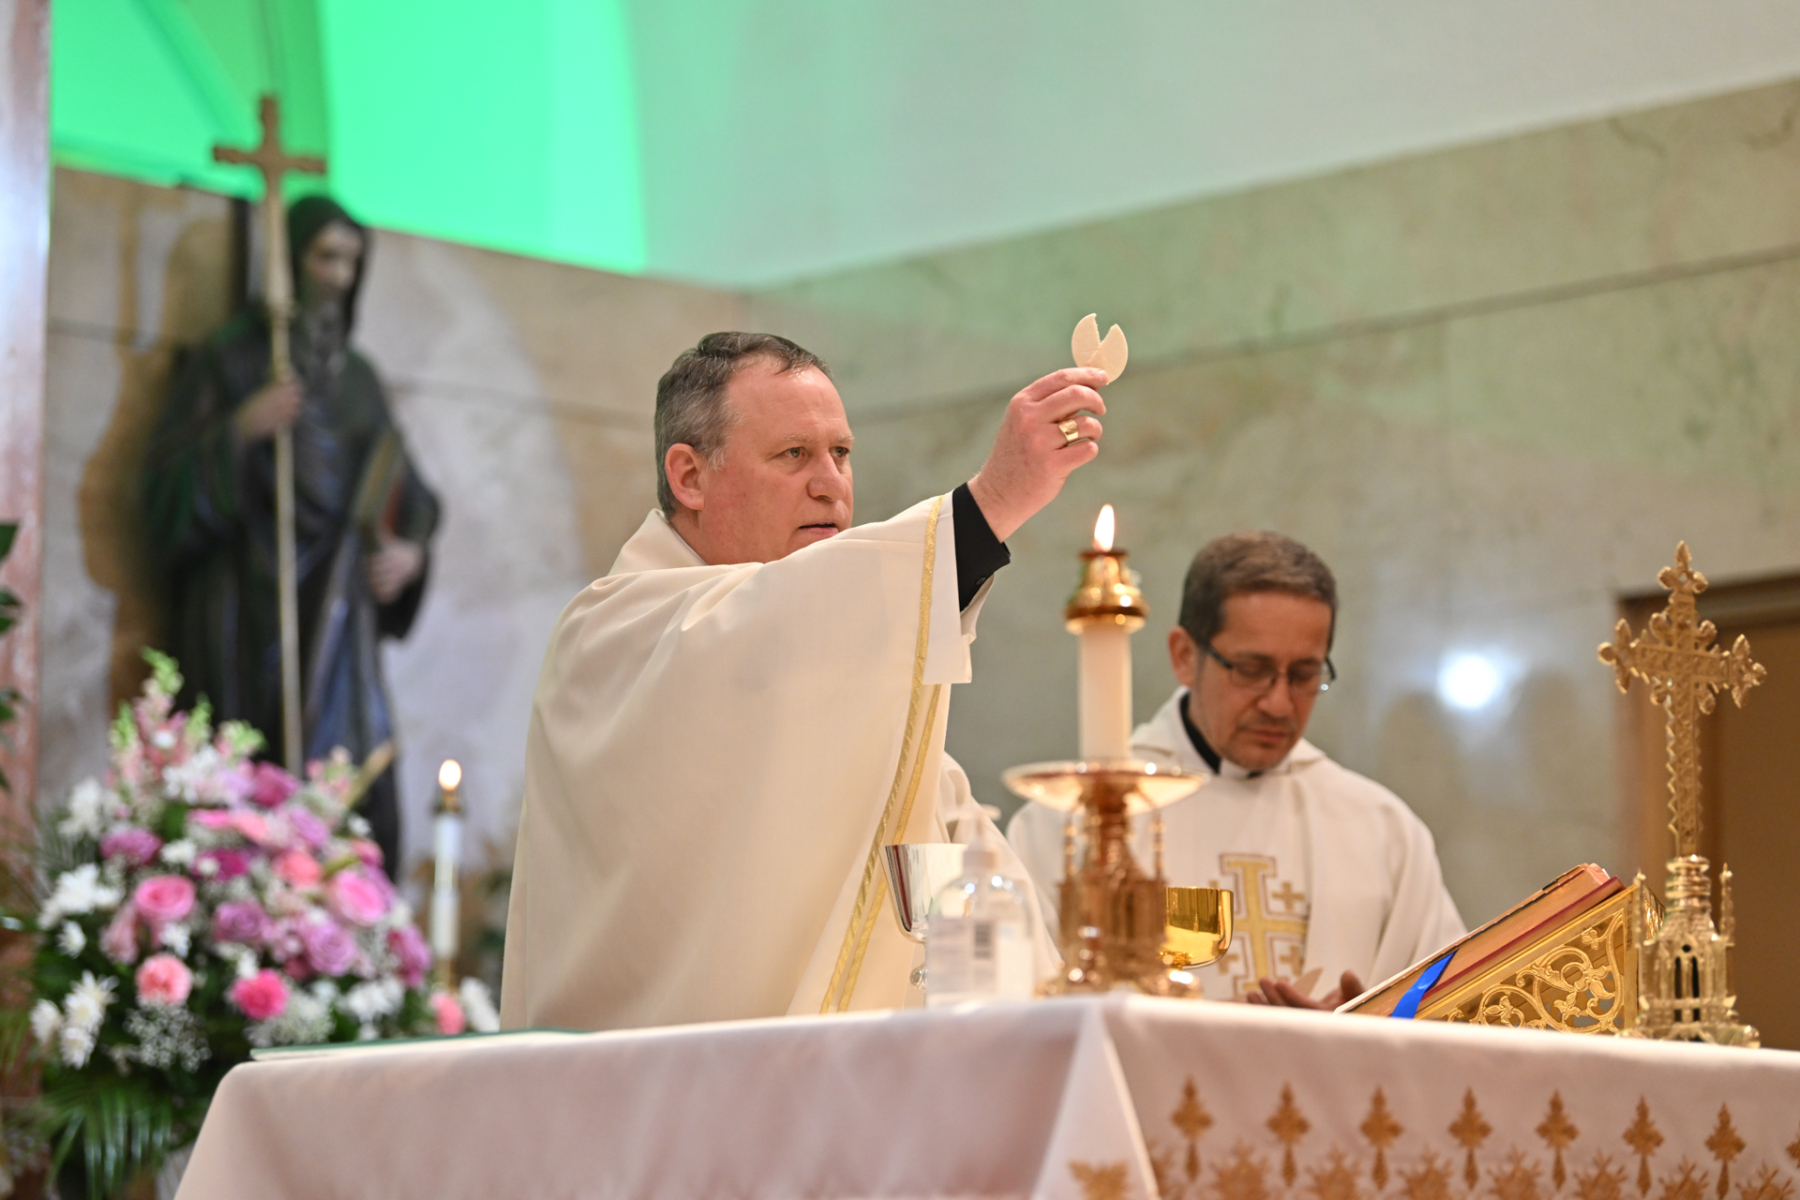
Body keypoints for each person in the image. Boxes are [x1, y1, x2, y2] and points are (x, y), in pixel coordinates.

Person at [501, 333, 1103, 1031]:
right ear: (690, 477)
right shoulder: (614, 635)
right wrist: (990, 502)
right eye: (793, 455)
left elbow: (980, 911)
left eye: (840, 453)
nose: (830, 484)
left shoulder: (848, 695)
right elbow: (761, 638)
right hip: (659, 1082)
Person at [1009, 531, 1464, 1008]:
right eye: (1251, 669)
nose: (1279, 703)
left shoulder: (1383, 830)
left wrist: (1367, 1026)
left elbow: (1453, 1009)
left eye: (1304, 675)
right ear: (1185, 656)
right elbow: (1021, 1014)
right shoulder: (1064, 824)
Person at [144, 196, 439, 877]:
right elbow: (161, 489)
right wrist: (241, 428)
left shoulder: (358, 380)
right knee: (248, 777)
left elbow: (409, 494)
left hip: (337, 615)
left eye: (351, 262)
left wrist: (409, 555)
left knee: (352, 789)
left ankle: (342, 914)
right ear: (290, 262)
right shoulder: (232, 358)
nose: (338, 276)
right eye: (325, 257)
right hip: (248, 606)